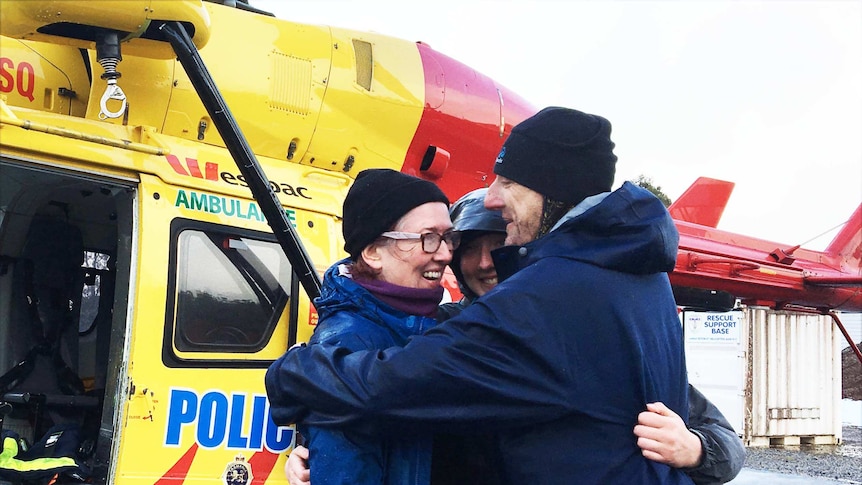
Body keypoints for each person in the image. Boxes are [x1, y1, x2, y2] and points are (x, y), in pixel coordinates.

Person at [266, 107, 695, 484]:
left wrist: (294, 373)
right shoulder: (638, 274)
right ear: (371, 252)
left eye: (507, 182)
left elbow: (397, 385)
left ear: (551, 190)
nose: (491, 199)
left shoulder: (554, 293)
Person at [285, 188, 745, 485]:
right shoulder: (441, 334)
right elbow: (367, 396)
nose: (486, 263)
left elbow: (724, 439)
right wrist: (308, 450)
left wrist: (695, 448)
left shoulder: (579, 332)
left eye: (500, 249)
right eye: (470, 250)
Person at [289, 168, 458, 485]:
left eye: (449, 237)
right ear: (372, 252)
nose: (446, 253)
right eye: (429, 238)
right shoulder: (347, 341)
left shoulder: (425, 324)